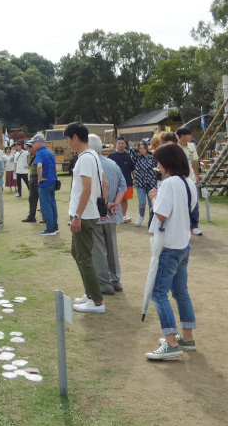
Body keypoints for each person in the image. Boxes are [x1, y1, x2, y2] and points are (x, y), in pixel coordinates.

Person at [144, 143, 198, 360]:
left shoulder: (168, 184)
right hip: (183, 243)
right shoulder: (188, 182)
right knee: (181, 292)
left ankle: (171, 342)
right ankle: (187, 337)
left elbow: (161, 214)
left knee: (158, 293)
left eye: (159, 161)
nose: (157, 165)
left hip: (169, 245)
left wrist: (154, 198)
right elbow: (189, 209)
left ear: (167, 162)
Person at [65, 123, 109, 314]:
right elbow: (104, 182)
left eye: (68, 139)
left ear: (75, 137)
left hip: (83, 214)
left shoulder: (85, 158)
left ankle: (97, 301)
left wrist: (78, 215)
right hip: (87, 212)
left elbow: (87, 189)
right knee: (77, 253)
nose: (68, 143)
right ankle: (90, 294)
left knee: (84, 257)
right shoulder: (93, 156)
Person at [89, 135, 124, 296]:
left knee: (98, 250)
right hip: (112, 213)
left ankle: (104, 282)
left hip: (96, 212)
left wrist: (108, 203)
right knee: (112, 248)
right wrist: (116, 203)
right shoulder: (112, 163)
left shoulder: (90, 164)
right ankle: (115, 280)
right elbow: (122, 185)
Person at [176, 128, 202, 236]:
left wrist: (197, 176)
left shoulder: (192, 146)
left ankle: (195, 226)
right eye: (189, 135)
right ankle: (184, 227)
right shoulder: (175, 147)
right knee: (182, 204)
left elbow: (194, 162)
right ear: (182, 136)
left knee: (194, 203)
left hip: (191, 178)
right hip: (179, 179)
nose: (191, 137)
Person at [33, 135, 58, 235]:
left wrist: (40, 178)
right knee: (52, 204)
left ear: (39, 143)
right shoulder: (50, 152)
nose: (33, 145)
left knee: (45, 206)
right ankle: (55, 226)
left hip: (45, 182)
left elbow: (39, 166)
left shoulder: (40, 153)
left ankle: (50, 228)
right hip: (53, 180)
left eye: (34, 143)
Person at [108, 137, 135, 223]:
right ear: (116, 145)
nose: (121, 145)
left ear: (125, 144)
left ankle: (124, 215)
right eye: (119, 143)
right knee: (115, 199)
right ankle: (115, 215)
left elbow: (133, 169)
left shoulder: (129, 155)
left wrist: (135, 179)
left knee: (124, 199)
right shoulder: (111, 156)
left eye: (123, 143)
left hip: (127, 181)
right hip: (114, 181)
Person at [132, 141, 157, 225]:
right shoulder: (137, 158)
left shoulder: (153, 157)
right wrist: (137, 149)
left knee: (151, 204)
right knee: (142, 202)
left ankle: (152, 219)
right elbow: (131, 150)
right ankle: (141, 216)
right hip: (140, 183)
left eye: (144, 148)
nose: (142, 150)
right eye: (140, 148)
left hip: (151, 183)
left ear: (147, 148)